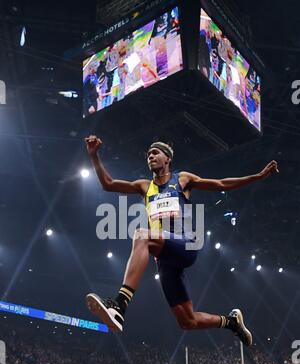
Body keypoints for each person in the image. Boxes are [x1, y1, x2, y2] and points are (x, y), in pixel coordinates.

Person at [84, 135, 279, 346]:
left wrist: (257, 177)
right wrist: (94, 156)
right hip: (165, 259)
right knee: (187, 321)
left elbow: (222, 183)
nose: (150, 156)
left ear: (167, 159)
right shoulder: (144, 186)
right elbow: (109, 184)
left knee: (142, 234)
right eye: (148, 154)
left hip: (184, 244)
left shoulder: (182, 179)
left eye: (155, 153)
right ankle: (231, 322)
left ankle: (120, 304)